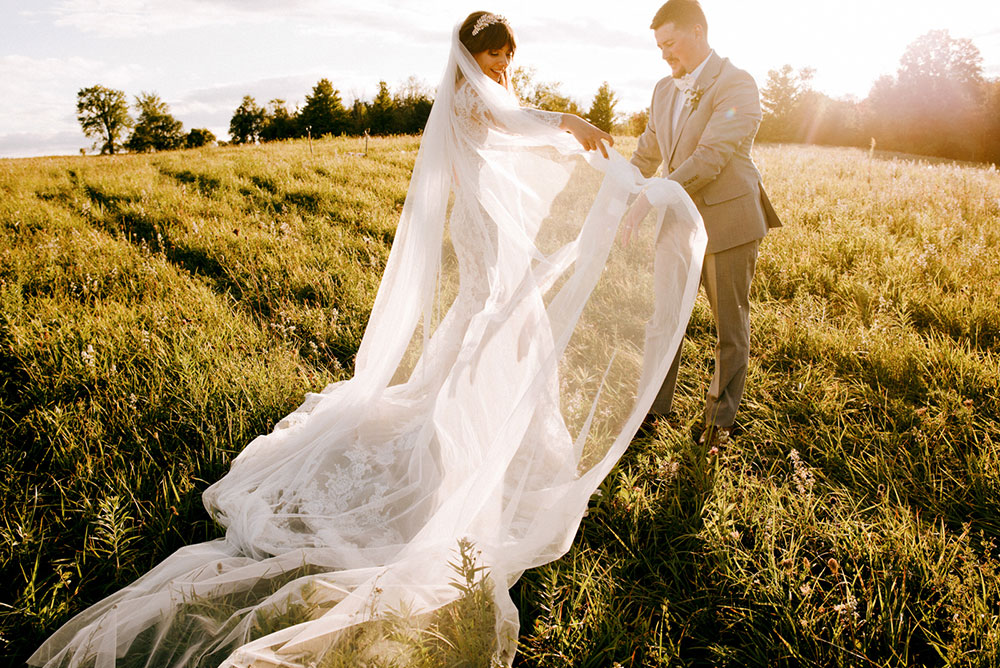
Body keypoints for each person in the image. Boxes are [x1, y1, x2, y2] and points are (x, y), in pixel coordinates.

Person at [30, 12, 705, 668]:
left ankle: (493, 434)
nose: (502, 63)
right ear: (472, 56)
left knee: (500, 320)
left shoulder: (487, 91)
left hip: (490, 226)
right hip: (484, 230)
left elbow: (518, 138)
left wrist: (565, 140)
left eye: (507, 52)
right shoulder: (475, 96)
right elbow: (516, 125)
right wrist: (571, 123)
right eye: (493, 53)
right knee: (493, 317)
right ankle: (458, 443)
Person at [622, 0, 781, 446]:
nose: (664, 54)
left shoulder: (738, 84)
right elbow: (649, 147)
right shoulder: (662, 88)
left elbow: (711, 157)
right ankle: (652, 410)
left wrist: (653, 195)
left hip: (729, 220)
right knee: (664, 319)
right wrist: (624, 189)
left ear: (698, 31)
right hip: (678, 220)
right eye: (658, 46)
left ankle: (719, 422)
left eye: (669, 44)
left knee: (729, 327)